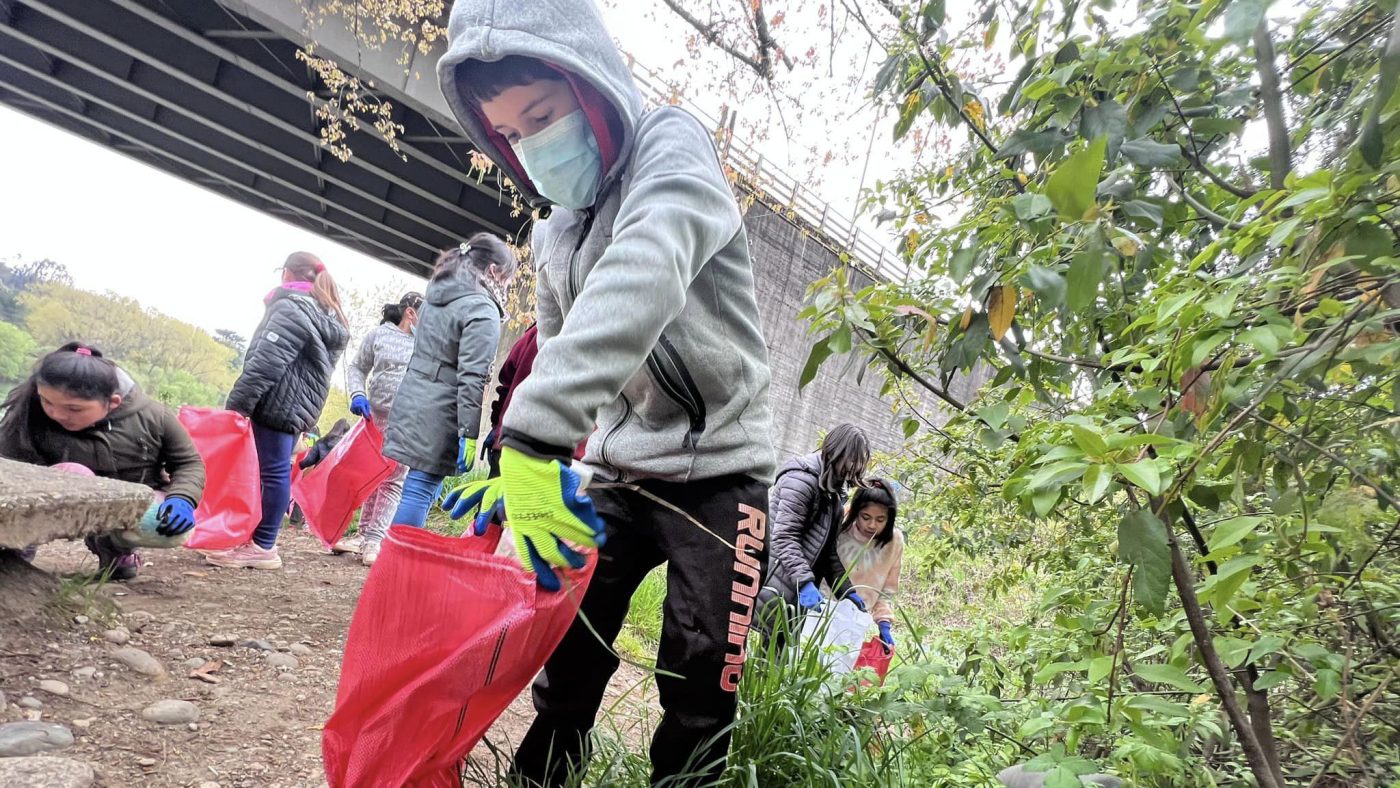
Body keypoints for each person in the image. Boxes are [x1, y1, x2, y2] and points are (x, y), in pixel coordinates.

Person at [435, 2, 778, 783]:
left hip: (722, 467)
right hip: (616, 472)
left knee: (701, 679)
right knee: (569, 647)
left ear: (591, 83)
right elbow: (557, 356)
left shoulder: (671, 146)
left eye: (543, 114)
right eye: (512, 134)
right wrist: (528, 470)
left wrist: (534, 434)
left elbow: (648, 264)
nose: (532, 145)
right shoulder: (552, 231)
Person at [0, 343, 205, 580]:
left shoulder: (154, 417)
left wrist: (182, 499)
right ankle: (15, 552)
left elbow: (188, 463)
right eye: (47, 402)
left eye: (74, 409)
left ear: (113, 402)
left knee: (167, 528)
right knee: (71, 473)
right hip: (61, 492)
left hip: (132, 500)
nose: (57, 414)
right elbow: (7, 466)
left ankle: (114, 549)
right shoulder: (28, 412)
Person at [205, 252, 349, 570]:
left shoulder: (292, 307)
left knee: (271, 472)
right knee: (274, 470)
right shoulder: (325, 313)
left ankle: (263, 545)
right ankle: (256, 539)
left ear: (286, 274)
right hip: (298, 404)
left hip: (277, 400)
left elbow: (267, 362)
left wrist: (238, 405)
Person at [381, 237, 516, 530]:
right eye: (507, 277)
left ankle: (396, 561)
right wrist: (468, 432)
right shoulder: (482, 308)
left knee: (415, 486)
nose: (507, 285)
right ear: (493, 271)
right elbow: (473, 376)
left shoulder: (435, 298)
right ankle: (396, 569)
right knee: (420, 488)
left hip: (414, 398)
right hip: (442, 409)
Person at [757, 424, 873, 640]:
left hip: (796, 588)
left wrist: (847, 591)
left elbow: (828, 552)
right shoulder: (802, 481)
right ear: (836, 451)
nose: (853, 469)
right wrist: (805, 582)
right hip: (774, 582)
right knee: (759, 656)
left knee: (777, 660)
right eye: (851, 461)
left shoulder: (834, 492)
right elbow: (783, 537)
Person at [337, 291, 422, 564]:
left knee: (393, 479)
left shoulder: (429, 345)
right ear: (411, 312)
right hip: (374, 419)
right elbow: (357, 367)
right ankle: (363, 536)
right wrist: (357, 394)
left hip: (408, 421)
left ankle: (375, 540)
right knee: (373, 477)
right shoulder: (379, 336)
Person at [480, 323, 586, 480]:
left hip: (509, 443)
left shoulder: (535, 333)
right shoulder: (591, 336)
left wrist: (497, 427)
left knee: (495, 501)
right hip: (557, 459)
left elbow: (505, 384)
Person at [834, 479, 903, 654]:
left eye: (880, 519)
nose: (872, 525)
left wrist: (884, 622)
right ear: (856, 512)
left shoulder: (894, 542)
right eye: (866, 517)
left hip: (856, 620)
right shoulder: (839, 525)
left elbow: (886, 591)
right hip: (821, 610)